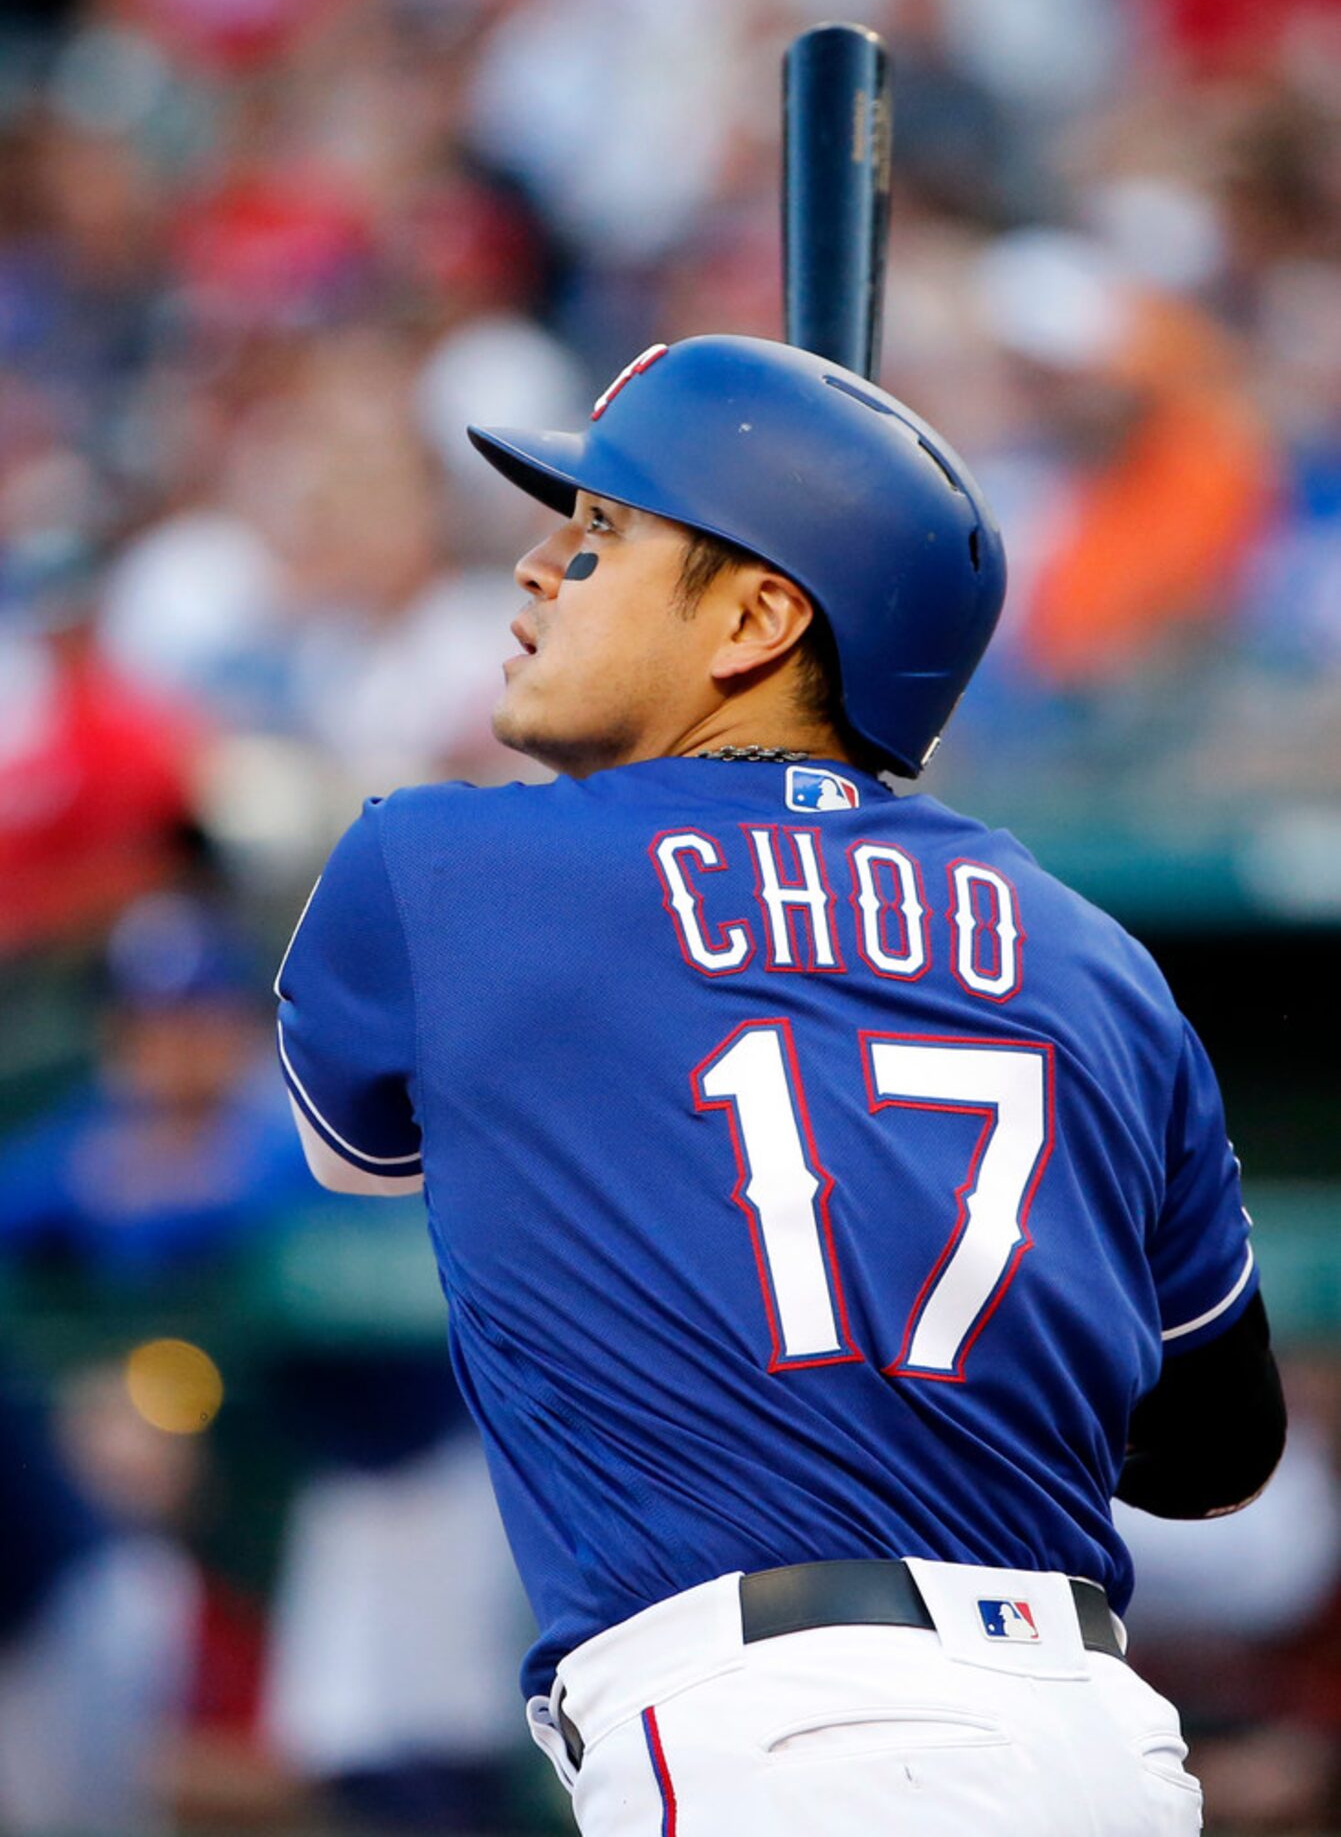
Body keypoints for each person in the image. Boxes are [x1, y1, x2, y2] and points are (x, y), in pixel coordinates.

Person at [275, 334, 1287, 1834]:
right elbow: (1214, 1450)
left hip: (780, 1736)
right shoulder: (1099, 964)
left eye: (603, 535)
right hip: (1096, 1740)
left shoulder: (437, 870)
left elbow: (366, 1145)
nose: (537, 571)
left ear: (754, 615)